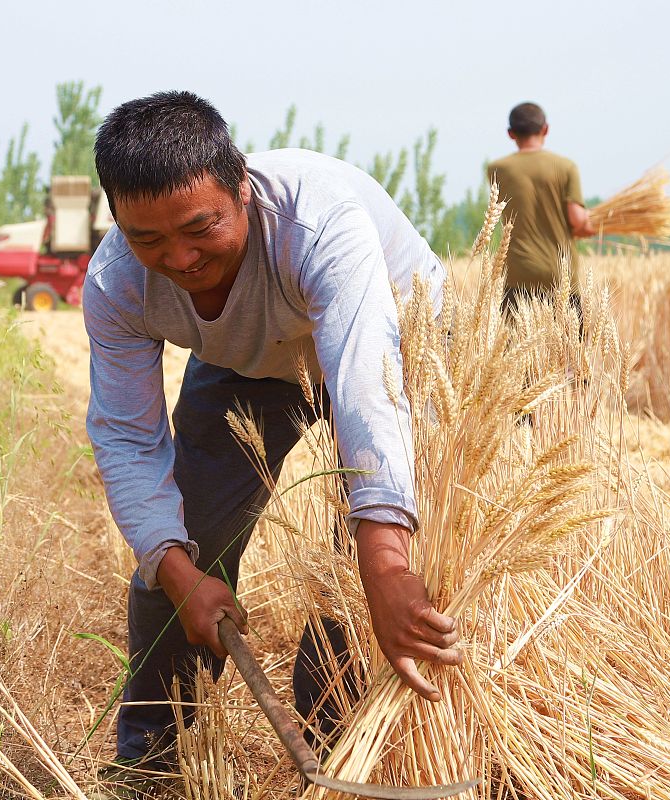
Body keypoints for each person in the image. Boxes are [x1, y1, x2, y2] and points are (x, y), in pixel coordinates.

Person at [83, 91, 462, 792]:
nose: (179, 257)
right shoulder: (117, 282)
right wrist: (180, 574)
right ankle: (152, 760)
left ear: (243, 191)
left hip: (397, 348)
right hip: (247, 364)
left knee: (371, 559)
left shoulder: (317, 223)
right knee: (185, 541)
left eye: (200, 228)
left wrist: (384, 564)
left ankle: (340, 744)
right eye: (148, 240)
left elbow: (366, 387)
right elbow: (128, 438)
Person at [487, 102, 595, 314]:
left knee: (514, 336)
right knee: (569, 337)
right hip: (560, 274)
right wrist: (591, 226)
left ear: (510, 133)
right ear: (545, 129)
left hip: (518, 275)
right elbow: (577, 220)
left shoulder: (497, 169)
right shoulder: (566, 167)